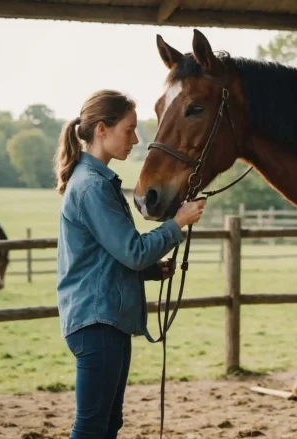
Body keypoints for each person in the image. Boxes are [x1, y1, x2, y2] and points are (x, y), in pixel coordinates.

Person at [54, 89, 205, 439]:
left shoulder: (98, 182)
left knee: (108, 424)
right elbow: (134, 251)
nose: (136, 140)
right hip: (97, 319)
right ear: (102, 130)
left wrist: (153, 270)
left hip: (105, 318)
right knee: (91, 427)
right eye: (130, 129)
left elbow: (111, 255)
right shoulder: (92, 187)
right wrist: (177, 223)